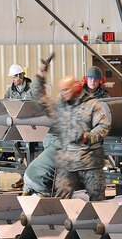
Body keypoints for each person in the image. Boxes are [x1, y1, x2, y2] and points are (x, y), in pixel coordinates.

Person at [22, 66, 111, 196]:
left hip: (89, 160)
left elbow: (103, 126)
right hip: (67, 161)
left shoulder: (91, 105)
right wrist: (40, 78)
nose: (62, 93)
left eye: (65, 90)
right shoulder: (59, 104)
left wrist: (88, 137)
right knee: (62, 198)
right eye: (61, 90)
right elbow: (39, 99)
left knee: (97, 197)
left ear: (76, 87)